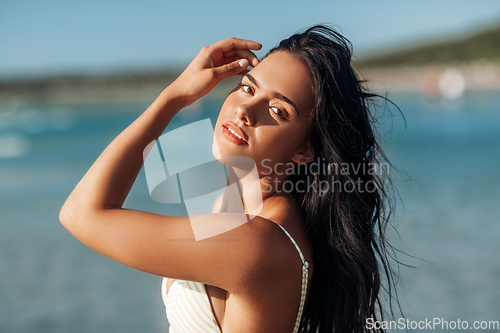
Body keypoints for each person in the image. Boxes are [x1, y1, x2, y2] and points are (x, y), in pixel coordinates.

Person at [60, 25, 397, 333]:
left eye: (278, 111)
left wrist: (174, 97)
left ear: (305, 150)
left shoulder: (257, 244)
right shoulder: (242, 203)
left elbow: (80, 214)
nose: (245, 110)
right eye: (247, 88)